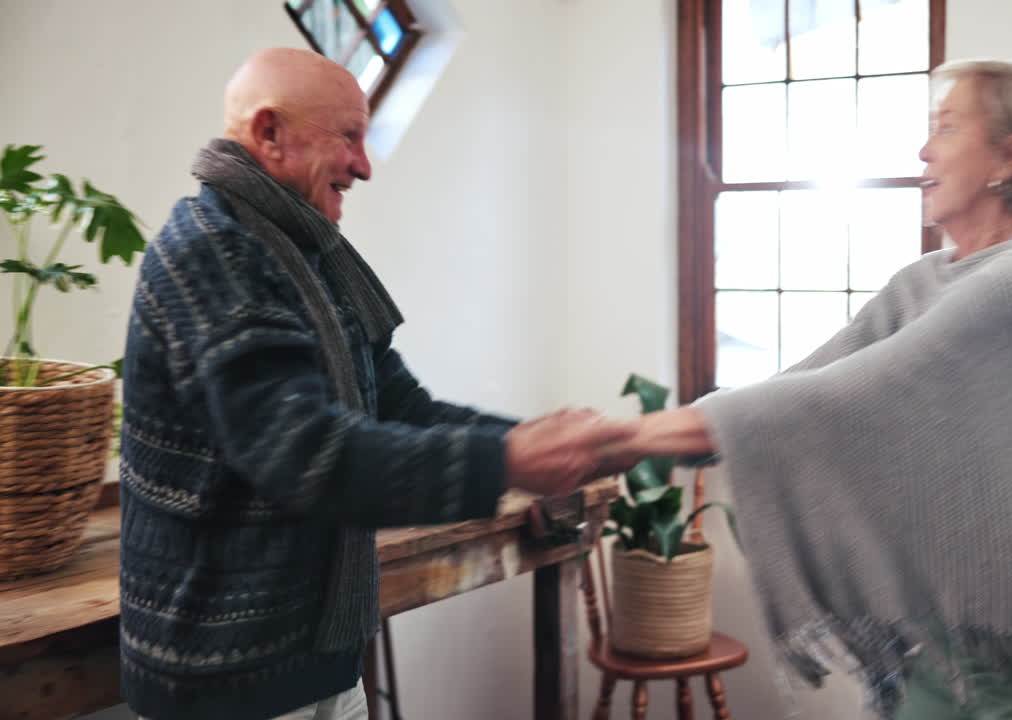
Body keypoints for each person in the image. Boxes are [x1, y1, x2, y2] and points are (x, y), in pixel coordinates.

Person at [601, 60, 1012, 719]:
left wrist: (619, 440)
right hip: (959, 627)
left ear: (1010, 155)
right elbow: (802, 383)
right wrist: (645, 439)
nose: (923, 150)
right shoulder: (922, 282)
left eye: (947, 127)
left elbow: (849, 396)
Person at [119, 47, 632, 720]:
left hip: (319, 663)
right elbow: (306, 457)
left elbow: (402, 409)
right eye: (348, 137)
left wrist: (548, 443)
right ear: (270, 133)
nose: (364, 165)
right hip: (226, 686)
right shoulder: (211, 252)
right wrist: (510, 460)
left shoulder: (311, 258)